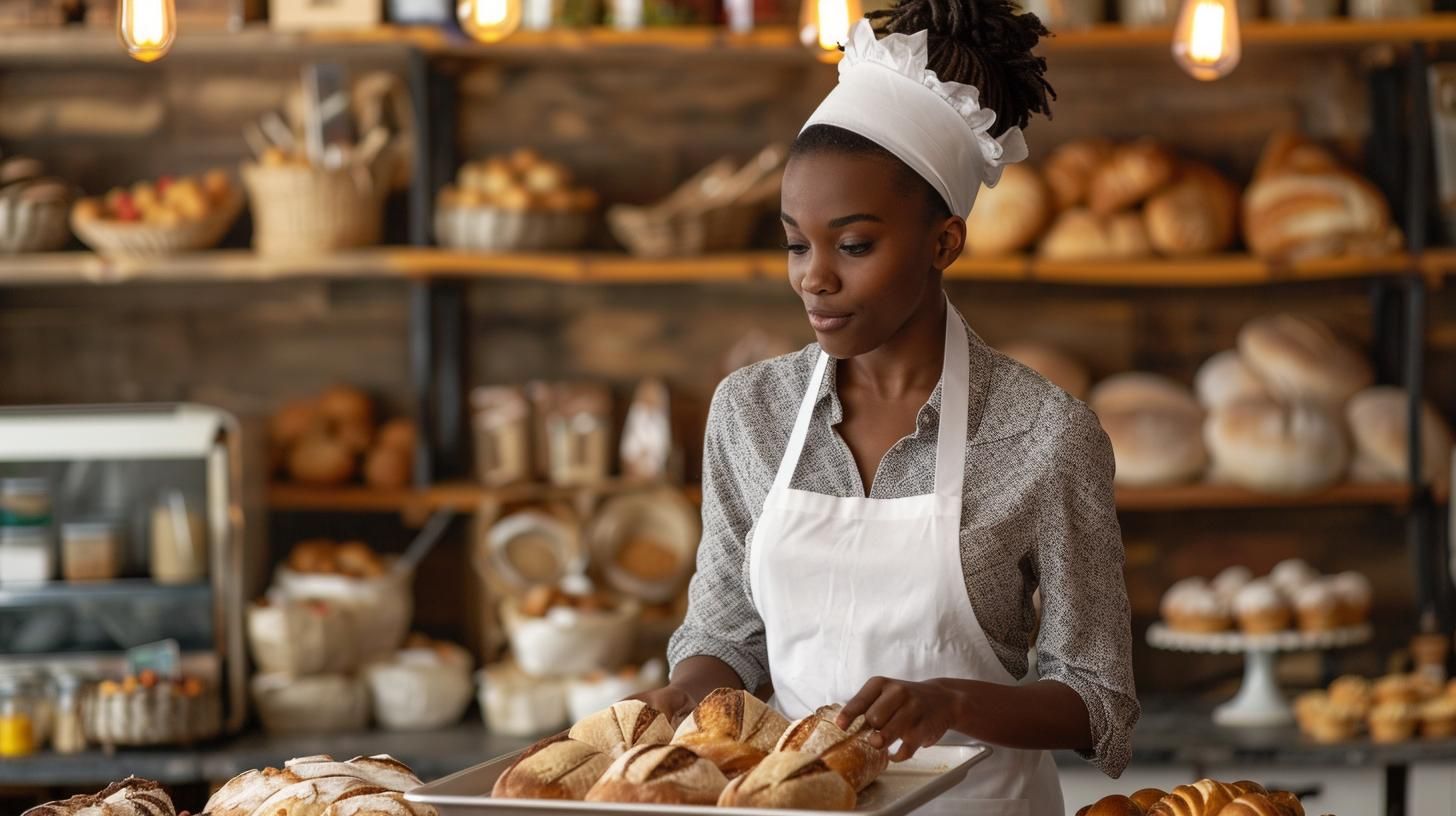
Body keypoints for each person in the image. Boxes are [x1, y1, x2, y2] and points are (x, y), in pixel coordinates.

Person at [636, 2, 1137, 813]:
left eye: (855, 245)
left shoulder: (1046, 435)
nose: (814, 277)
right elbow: (725, 636)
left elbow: (1100, 699)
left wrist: (953, 704)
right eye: (797, 243)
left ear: (944, 243)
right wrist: (681, 694)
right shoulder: (750, 411)